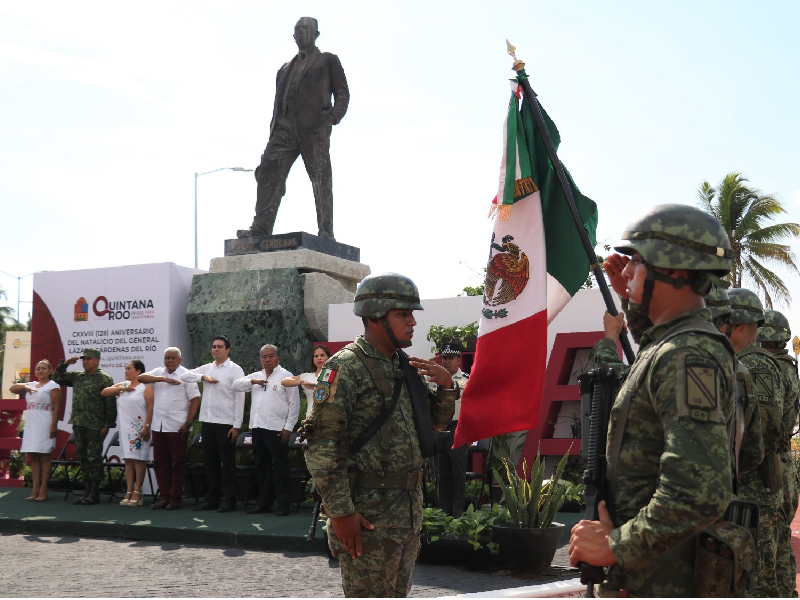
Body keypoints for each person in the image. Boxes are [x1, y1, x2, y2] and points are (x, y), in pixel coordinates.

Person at [568, 204, 738, 596]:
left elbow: (698, 492)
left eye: (637, 261)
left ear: (675, 269)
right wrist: (628, 297)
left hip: (664, 582)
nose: (626, 271)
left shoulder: (687, 352)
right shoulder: (667, 345)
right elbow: (647, 339)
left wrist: (616, 545)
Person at [302, 272, 459, 597]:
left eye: (412, 313)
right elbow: (321, 445)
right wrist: (342, 511)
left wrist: (446, 387)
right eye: (402, 314)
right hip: (367, 515)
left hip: (406, 513)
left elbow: (435, 424)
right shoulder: (344, 368)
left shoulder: (405, 367)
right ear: (374, 316)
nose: (412, 322)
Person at [237, 16, 349, 240]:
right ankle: (261, 226)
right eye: (297, 30)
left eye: (306, 29)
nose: (301, 33)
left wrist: (332, 118)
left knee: (320, 178)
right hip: (284, 130)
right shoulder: (284, 69)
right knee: (269, 170)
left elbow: (342, 93)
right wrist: (274, 130)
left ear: (316, 34)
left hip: (313, 128)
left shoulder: (327, 60)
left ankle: (326, 230)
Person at [726, 288, 786, 597]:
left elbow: (764, 430)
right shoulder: (743, 362)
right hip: (750, 485)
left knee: (757, 576)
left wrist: (733, 468)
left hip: (753, 486)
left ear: (736, 325)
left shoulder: (756, 365)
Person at [758, 308, 799, 597]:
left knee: (767, 545)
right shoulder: (790, 368)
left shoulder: (764, 369)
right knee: (781, 537)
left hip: (768, 467)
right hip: (786, 467)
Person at [232, 344, 300, 516]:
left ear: (278, 358)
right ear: (260, 359)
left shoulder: (286, 376)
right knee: (261, 467)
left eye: (271, 356)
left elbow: (294, 405)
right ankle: (264, 502)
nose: (267, 360)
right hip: (258, 428)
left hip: (277, 429)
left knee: (281, 468)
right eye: (264, 357)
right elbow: (235, 385)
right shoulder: (256, 376)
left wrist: (288, 428)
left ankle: (284, 504)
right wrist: (252, 382)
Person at [180, 335, 245, 513]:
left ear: (228, 350)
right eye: (214, 346)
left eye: (220, 347)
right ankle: (211, 499)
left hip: (226, 423)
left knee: (227, 464)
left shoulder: (234, 369)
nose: (216, 349)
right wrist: (203, 377)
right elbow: (185, 375)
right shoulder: (208, 368)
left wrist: (237, 425)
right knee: (210, 463)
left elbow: (240, 398)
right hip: (208, 422)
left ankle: (229, 501)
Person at [137, 347, 200, 510]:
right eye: (167, 358)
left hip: (177, 426)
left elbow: (195, 400)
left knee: (177, 463)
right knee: (160, 462)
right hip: (159, 425)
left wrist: (188, 423)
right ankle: (164, 497)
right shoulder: (159, 372)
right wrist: (163, 379)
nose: (170, 361)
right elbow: (141, 377)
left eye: (173, 358)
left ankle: (175, 498)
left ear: (180, 359)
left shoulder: (187, 375)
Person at [52, 348, 115, 506]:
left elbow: (110, 405)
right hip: (79, 423)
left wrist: (107, 425)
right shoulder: (77, 376)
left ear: (97, 360)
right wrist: (65, 364)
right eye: (84, 359)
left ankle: (94, 492)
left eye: (89, 358)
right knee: (82, 456)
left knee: (94, 457)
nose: (85, 361)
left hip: (95, 425)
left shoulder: (104, 379)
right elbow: (56, 377)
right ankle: (86, 490)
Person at [101, 360, 154, 506]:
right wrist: (123, 389)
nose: (125, 371)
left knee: (139, 460)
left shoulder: (145, 387)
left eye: (129, 368)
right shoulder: (123, 385)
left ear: (138, 371)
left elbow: (151, 408)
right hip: (125, 429)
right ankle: (129, 490)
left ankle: (138, 491)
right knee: (128, 460)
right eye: (125, 368)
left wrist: (146, 427)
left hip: (140, 428)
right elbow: (104, 392)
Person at [427, 344, 469, 517]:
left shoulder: (466, 379)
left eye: (451, 358)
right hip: (438, 429)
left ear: (459, 360)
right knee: (440, 471)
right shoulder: (433, 379)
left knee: (458, 472)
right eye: (444, 358)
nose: (447, 362)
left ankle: (458, 512)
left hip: (457, 428)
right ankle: (443, 511)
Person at [11, 359, 61, 501]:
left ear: (50, 371)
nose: (40, 370)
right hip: (32, 424)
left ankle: (44, 489)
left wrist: (53, 425)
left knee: (44, 455)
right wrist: (25, 386)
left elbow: (57, 406)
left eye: (44, 368)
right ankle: (35, 489)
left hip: (45, 422)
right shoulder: (31, 385)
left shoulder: (53, 386)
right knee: (33, 456)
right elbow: (13, 388)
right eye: (38, 368)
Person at [282, 344, 331, 423]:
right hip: (310, 419)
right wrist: (302, 382)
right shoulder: (307, 376)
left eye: (322, 355)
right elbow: (284, 381)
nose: (319, 358)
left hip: (329, 419)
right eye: (316, 356)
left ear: (328, 357)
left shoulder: (332, 376)